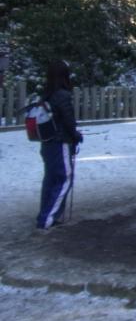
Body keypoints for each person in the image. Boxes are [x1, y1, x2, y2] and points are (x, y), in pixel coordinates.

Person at [37, 60, 83, 230]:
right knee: (65, 177)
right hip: (60, 141)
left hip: (48, 142)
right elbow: (68, 119)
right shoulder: (62, 94)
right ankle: (48, 218)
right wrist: (75, 135)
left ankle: (44, 214)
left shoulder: (46, 94)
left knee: (51, 179)